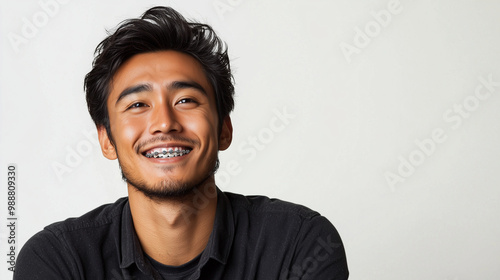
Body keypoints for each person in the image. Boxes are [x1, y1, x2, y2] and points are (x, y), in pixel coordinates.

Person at [14, 6, 348, 280]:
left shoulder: (299, 244)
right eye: (137, 105)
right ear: (107, 140)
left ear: (223, 130)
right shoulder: (58, 262)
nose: (164, 123)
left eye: (186, 100)